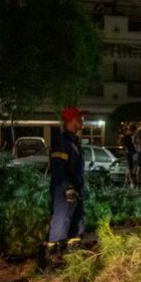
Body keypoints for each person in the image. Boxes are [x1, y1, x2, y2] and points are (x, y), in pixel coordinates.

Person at [40, 106, 87, 269]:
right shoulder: (62, 142)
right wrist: (68, 187)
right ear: (72, 120)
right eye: (80, 118)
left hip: (76, 191)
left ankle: (72, 258)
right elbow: (59, 168)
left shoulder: (74, 142)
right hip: (64, 191)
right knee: (60, 223)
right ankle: (51, 261)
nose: (83, 121)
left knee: (76, 224)